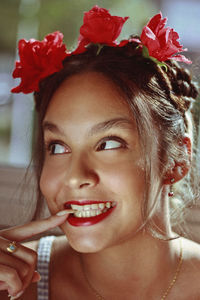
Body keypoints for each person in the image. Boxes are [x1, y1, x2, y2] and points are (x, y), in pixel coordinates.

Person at [0, 5, 200, 300]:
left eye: (108, 143)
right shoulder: (11, 286)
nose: (74, 177)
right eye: (58, 146)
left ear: (176, 160)